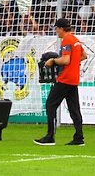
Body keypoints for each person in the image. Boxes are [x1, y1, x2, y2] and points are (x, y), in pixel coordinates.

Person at [35, 17, 87, 146]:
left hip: (65, 78)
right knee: (74, 109)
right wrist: (74, 63)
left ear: (61, 29)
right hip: (74, 79)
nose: (56, 32)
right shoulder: (76, 40)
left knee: (50, 105)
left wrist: (52, 60)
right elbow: (84, 56)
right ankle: (79, 137)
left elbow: (65, 60)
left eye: (57, 29)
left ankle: (50, 136)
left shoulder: (67, 40)